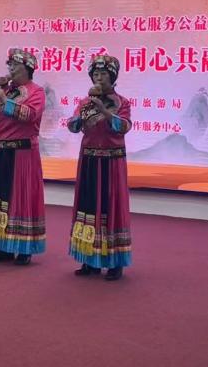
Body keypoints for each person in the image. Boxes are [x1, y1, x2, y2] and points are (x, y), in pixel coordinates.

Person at [66, 55, 133, 280]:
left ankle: (115, 262)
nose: (99, 78)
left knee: (110, 209)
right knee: (88, 209)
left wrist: (104, 111)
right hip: (89, 160)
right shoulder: (84, 102)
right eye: (95, 74)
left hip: (111, 163)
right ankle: (89, 260)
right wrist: (80, 117)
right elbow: (72, 126)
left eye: (103, 74)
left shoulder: (122, 103)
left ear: (112, 77)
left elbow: (123, 127)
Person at [0, 48, 46, 265]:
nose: (11, 69)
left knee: (21, 198)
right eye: (10, 65)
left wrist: (4, 98)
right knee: (0, 199)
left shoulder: (36, 92)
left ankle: (24, 248)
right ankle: (3, 246)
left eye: (15, 66)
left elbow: (29, 115)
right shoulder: (6, 89)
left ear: (27, 69)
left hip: (22, 153)